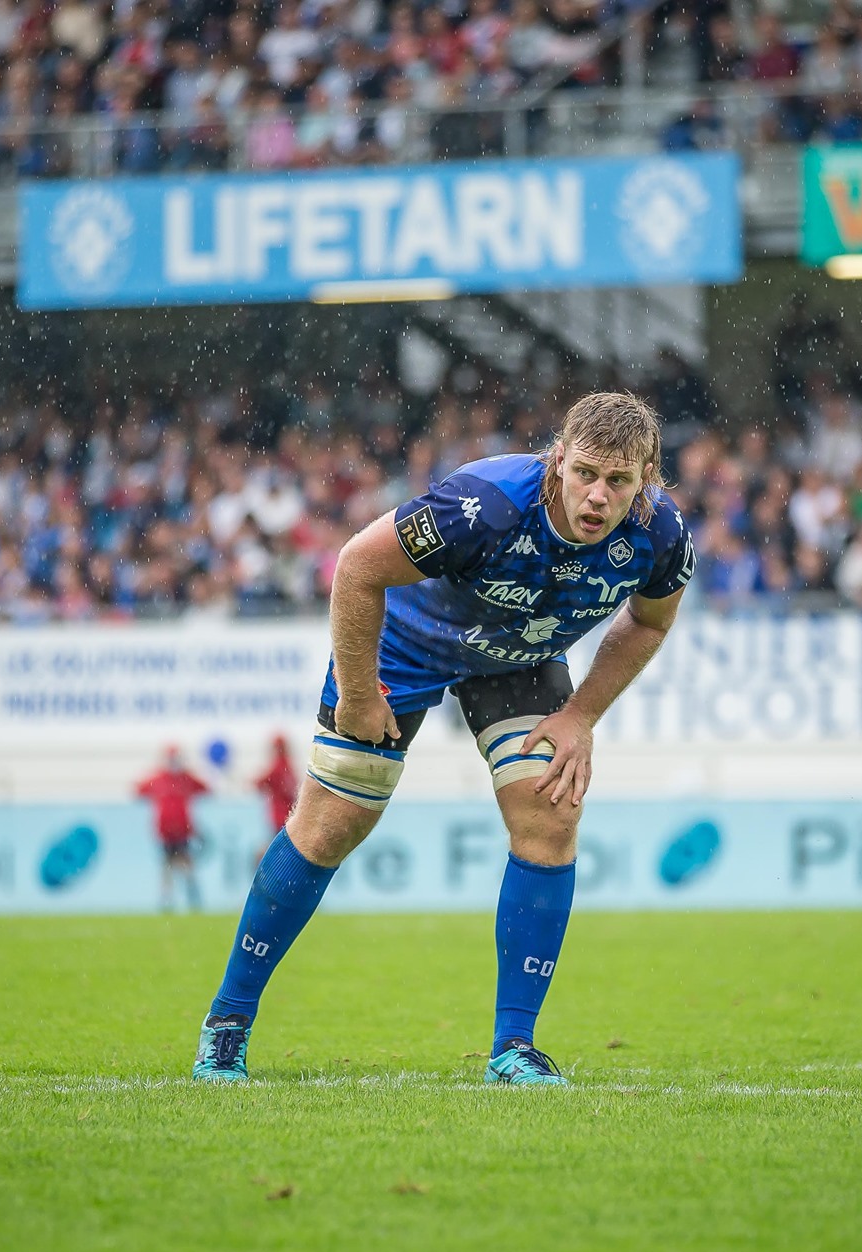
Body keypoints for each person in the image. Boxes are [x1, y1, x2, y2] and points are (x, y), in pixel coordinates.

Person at [191, 392, 695, 1085]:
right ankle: (227, 1023)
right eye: (584, 473)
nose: (597, 495)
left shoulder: (662, 535)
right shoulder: (483, 504)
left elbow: (649, 622)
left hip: (517, 656)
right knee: (333, 821)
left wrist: (579, 716)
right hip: (405, 643)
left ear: (647, 480)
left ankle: (513, 1049)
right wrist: (362, 693)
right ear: (557, 462)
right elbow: (358, 566)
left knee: (551, 815)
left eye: (618, 480)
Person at [136, 747, 209, 912]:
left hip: (182, 832)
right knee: (168, 867)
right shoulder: (160, 778)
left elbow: (205, 788)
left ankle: (192, 899)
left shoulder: (186, 779)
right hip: (166, 833)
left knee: (185, 866)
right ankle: (168, 901)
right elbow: (139, 789)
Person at [252, 734, 297, 834]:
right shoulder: (288, 765)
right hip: (289, 815)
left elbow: (260, 782)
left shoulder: (277, 765)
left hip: (279, 816)